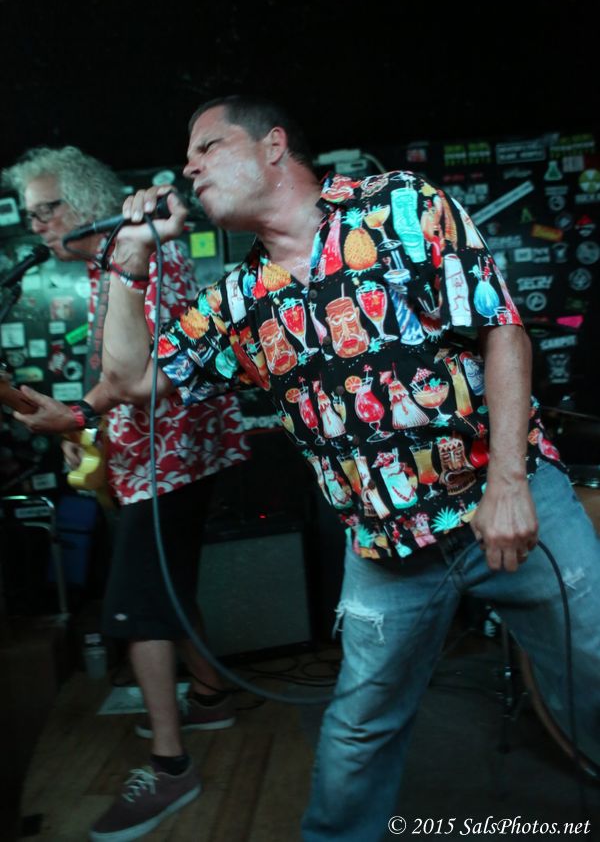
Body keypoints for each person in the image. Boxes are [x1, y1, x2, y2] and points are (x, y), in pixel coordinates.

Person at [100, 96, 600, 842]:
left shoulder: (399, 205)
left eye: (207, 147)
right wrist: (130, 261)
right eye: (188, 156)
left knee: (593, 667)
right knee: (360, 724)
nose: (189, 167)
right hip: (386, 548)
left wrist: (508, 486)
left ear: (273, 145)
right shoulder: (236, 299)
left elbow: (501, 330)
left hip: (508, 500)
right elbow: (129, 380)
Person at [2, 147, 251, 841]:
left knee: (137, 608)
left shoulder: (137, 257)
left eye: (45, 210)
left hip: (169, 460)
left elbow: (138, 375)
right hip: (164, 457)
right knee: (166, 589)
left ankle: (171, 768)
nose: (35, 226)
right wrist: (88, 424)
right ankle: (210, 698)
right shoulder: (110, 262)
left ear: (85, 202)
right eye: (28, 215)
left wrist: (78, 416)